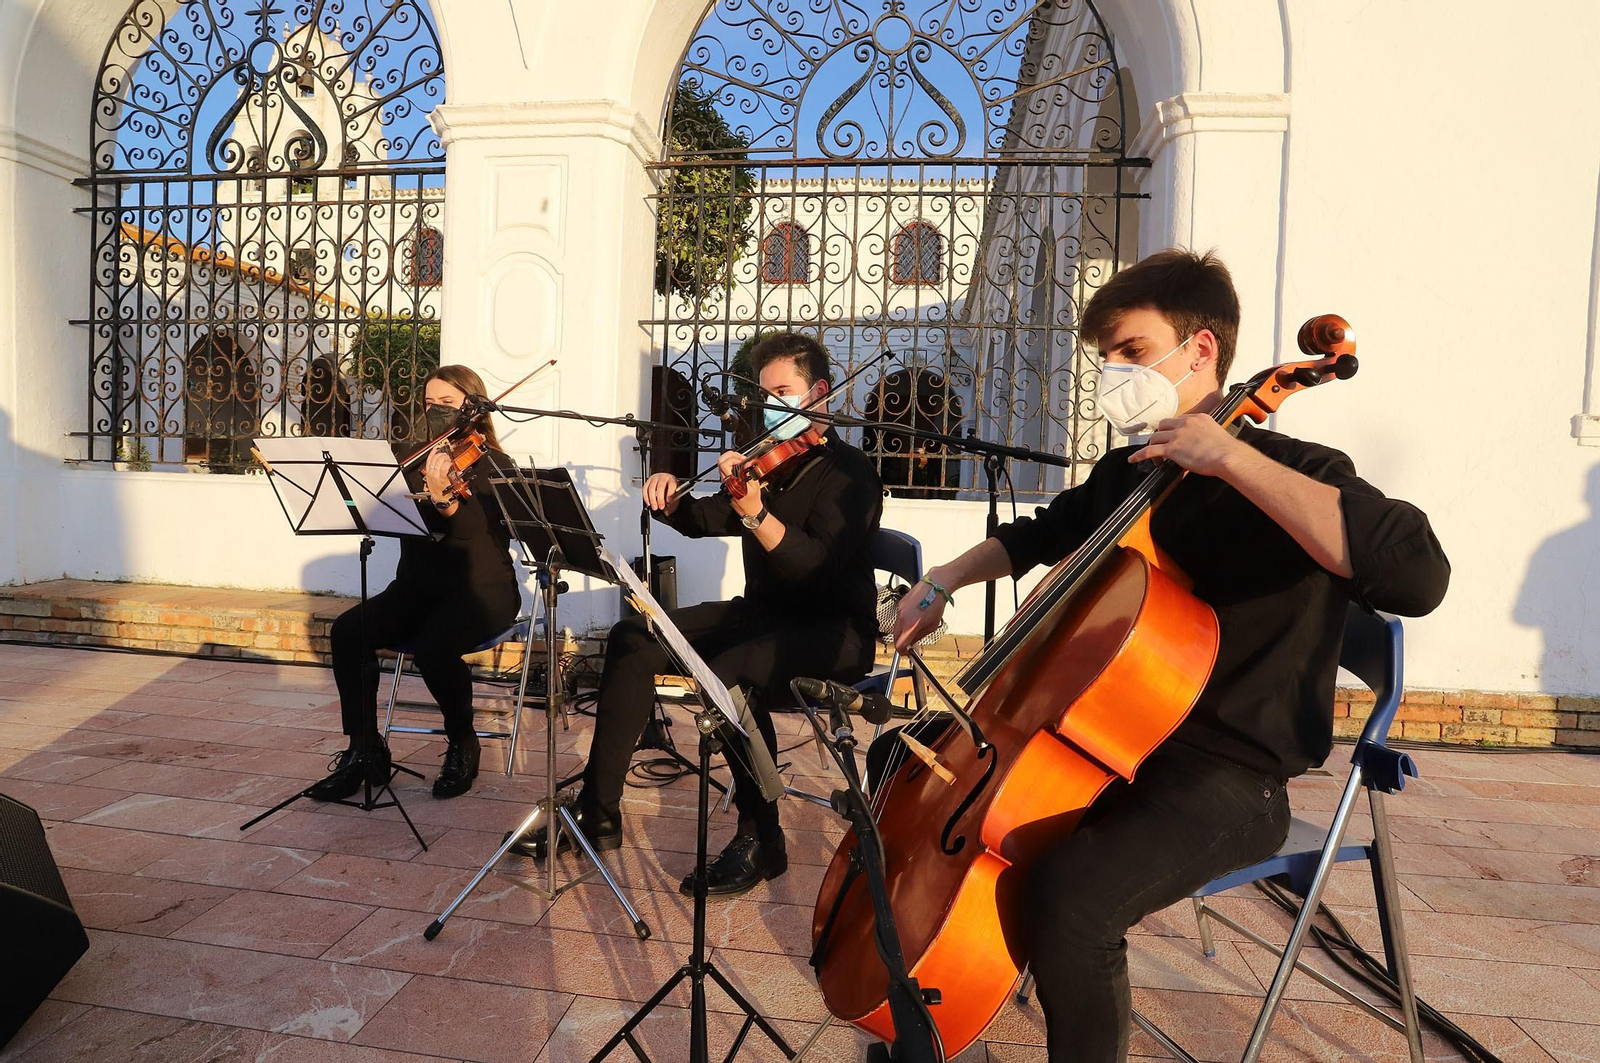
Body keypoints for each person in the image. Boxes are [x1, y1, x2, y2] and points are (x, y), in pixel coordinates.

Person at [891, 250, 1450, 1063]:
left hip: (1229, 778)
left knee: (1069, 900)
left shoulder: (1293, 470)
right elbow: (1038, 535)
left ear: (1200, 352)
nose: (1114, 372)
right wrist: (941, 580)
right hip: (1115, 752)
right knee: (945, 813)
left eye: (1131, 351)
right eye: (1106, 358)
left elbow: (1419, 573)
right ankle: (926, 1026)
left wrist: (1230, 457)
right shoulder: (1131, 470)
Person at [510, 331, 885, 897]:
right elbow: (707, 519)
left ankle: (764, 839)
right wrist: (671, 498)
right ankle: (598, 811)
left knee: (726, 678)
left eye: (781, 391)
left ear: (820, 394)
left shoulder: (851, 475)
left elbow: (816, 569)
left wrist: (758, 515)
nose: (768, 407)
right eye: (763, 396)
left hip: (832, 631)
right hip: (764, 614)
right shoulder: (770, 465)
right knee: (634, 635)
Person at [309, 365, 521, 803]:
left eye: (447, 403)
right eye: (429, 404)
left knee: (431, 646)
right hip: (419, 587)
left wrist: (443, 495)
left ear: (473, 407)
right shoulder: (413, 458)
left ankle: (463, 741)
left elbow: (468, 533)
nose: (436, 412)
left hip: (481, 591)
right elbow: (375, 508)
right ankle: (365, 751)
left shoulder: (494, 465)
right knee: (349, 631)